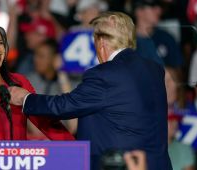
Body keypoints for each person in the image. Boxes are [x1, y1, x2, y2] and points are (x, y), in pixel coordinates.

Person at [9, 11, 172, 170]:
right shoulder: (154, 69)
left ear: (100, 41)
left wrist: (25, 98)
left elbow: (64, 106)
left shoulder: (105, 74)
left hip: (121, 164)